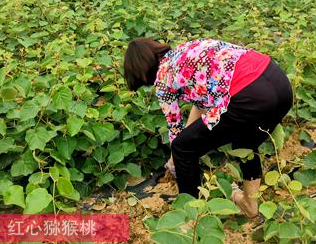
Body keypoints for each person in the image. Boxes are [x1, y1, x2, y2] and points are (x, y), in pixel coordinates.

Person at [123, 38, 292, 219]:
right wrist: (179, 151)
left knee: (183, 148)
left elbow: (176, 131)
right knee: (245, 141)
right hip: (279, 83)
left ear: (140, 74)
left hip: (249, 96)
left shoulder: (163, 78)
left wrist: (176, 161)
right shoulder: (186, 50)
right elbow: (201, 105)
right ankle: (250, 206)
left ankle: (191, 216)